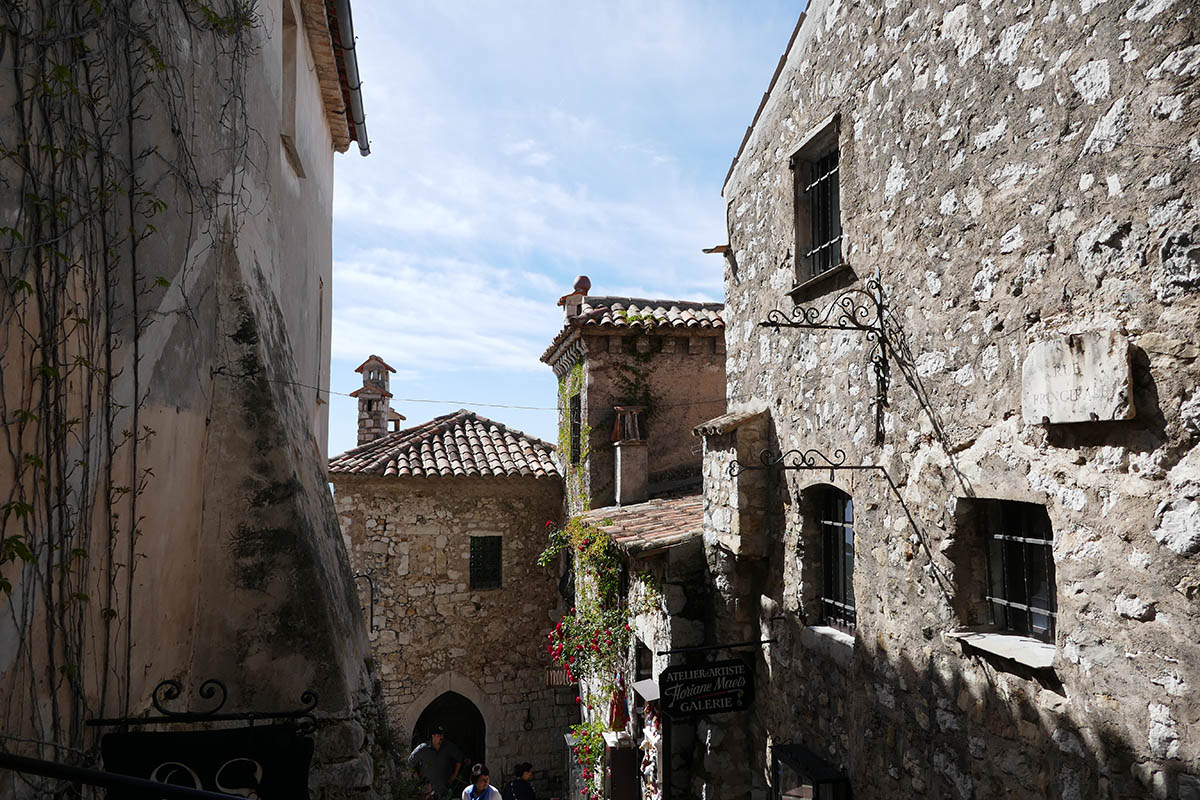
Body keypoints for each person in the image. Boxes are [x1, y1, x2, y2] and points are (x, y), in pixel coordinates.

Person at [408, 725, 465, 798]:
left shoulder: (448, 747)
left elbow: (459, 757)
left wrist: (454, 775)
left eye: (442, 735)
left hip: (444, 789)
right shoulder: (423, 748)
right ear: (433, 735)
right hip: (427, 791)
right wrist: (416, 775)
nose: (441, 737)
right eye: (439, 735)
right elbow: (410, 761)